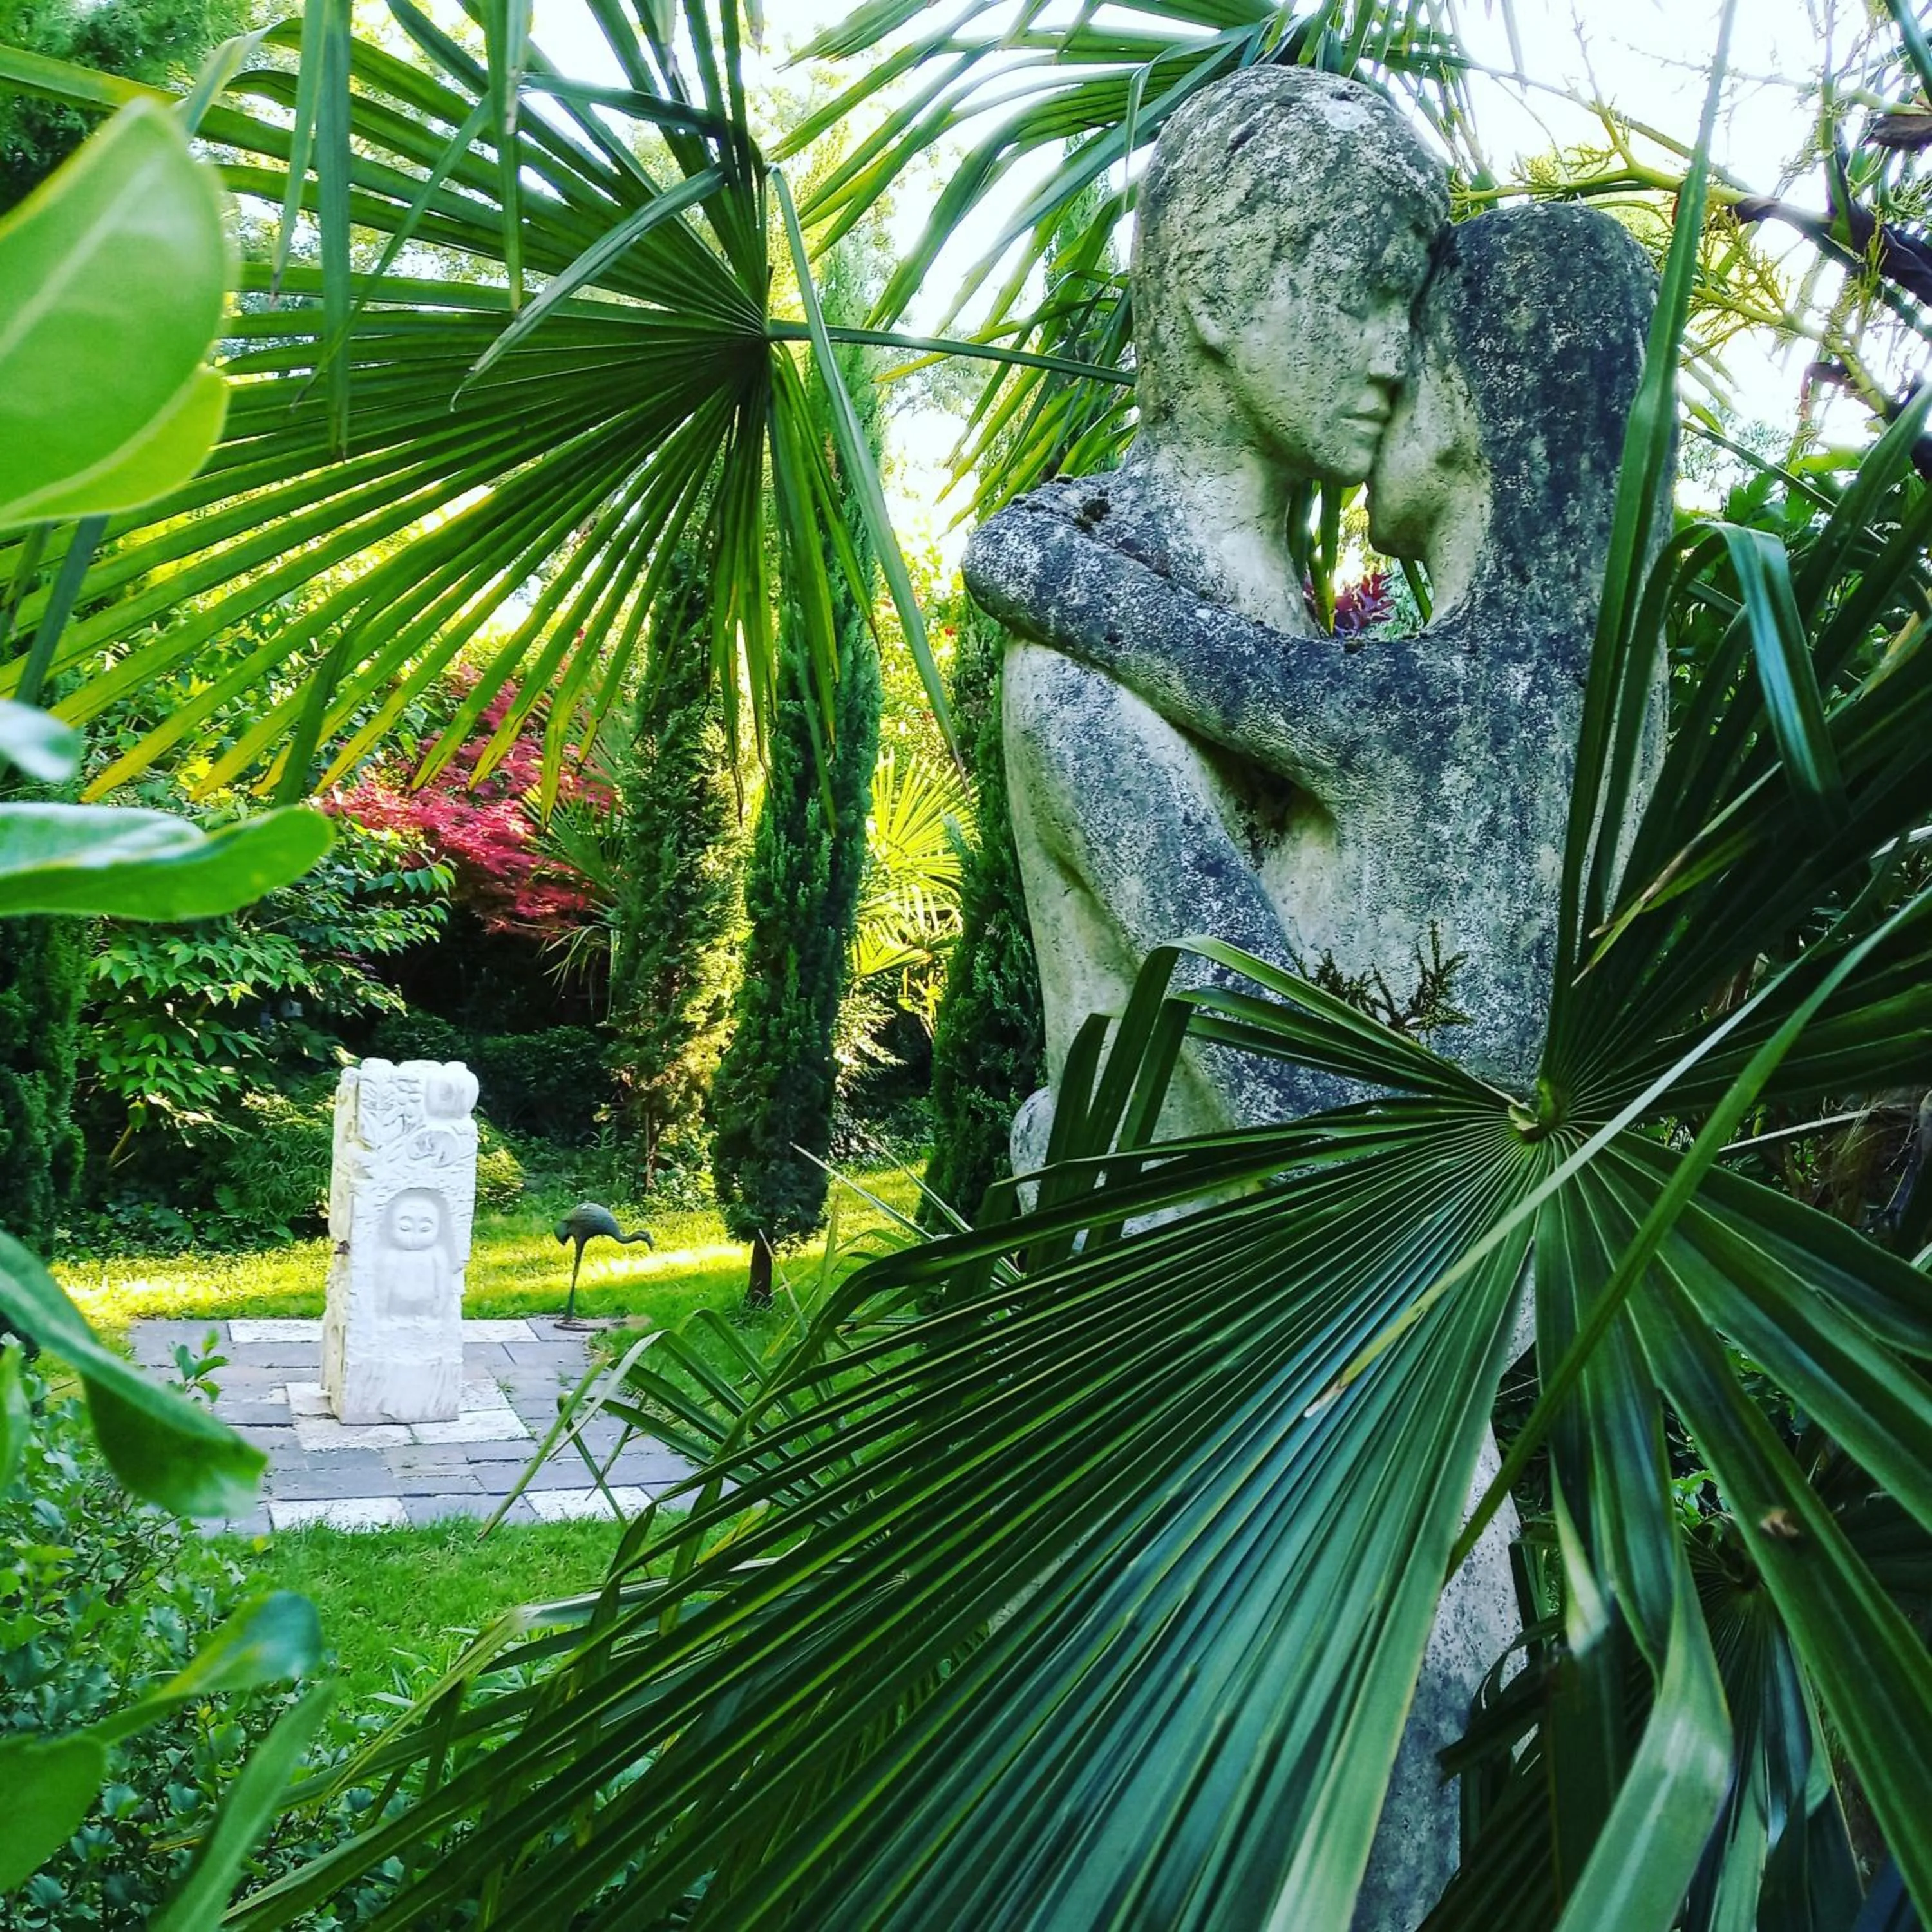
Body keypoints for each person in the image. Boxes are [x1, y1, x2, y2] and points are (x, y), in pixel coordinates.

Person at [967, 66, 1448, 1141]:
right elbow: (1267, 1068)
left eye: (1409, 308)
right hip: (1188, 1272)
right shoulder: (1073, 652)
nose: (1396, 353)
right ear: (1224, 287)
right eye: (1367, 291)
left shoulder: (1289, 610)